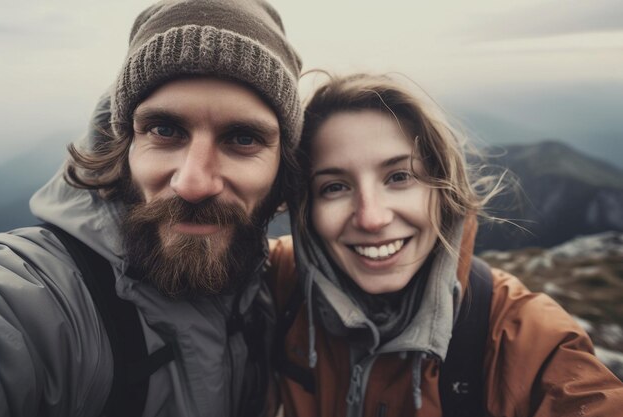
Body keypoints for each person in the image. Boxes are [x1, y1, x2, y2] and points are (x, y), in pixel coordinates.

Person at [0, 1, 302, 416]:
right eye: (164, 129)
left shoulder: (267, 298)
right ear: (123, 147)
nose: (193, 183)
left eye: (243, 138)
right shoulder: (41, 302)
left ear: (283, 166)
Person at [267, 73, 623, 416]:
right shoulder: (281, 281)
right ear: (306, 210)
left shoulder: (522, 334)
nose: (371, 218)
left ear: (443, 189)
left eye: (400, 177)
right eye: (334, 187)